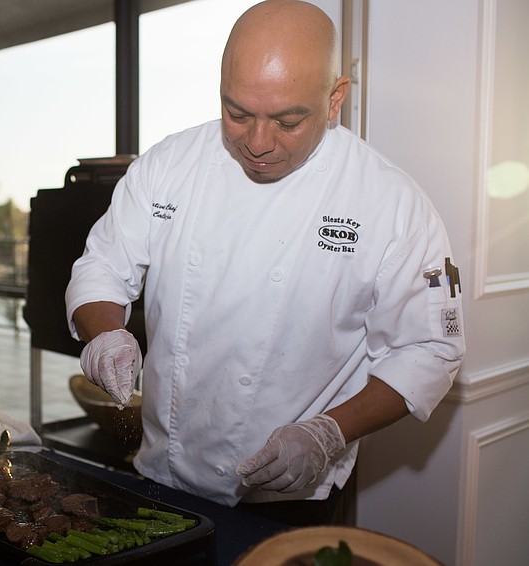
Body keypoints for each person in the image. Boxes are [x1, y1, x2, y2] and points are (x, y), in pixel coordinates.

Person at [65, 0, 465, 525]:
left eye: (287, 120)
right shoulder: (169, 165)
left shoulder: (390, 202)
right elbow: (101, 266)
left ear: (334, 98)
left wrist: (328, 432)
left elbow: (430, 347)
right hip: (161, 473)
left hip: (291, 499)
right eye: (237, 113)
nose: (257, 143)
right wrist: (105, 333)